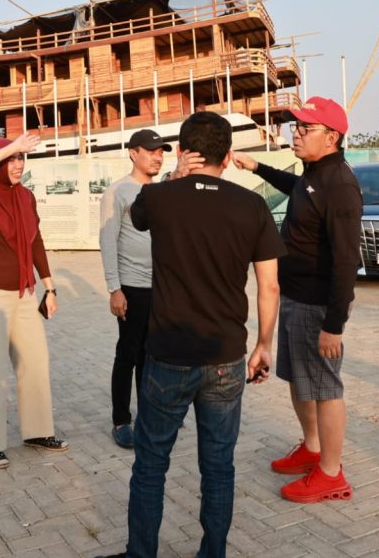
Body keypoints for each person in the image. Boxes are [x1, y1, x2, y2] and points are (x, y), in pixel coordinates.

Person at [111, 111, 287, 558]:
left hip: (168, 354)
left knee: (151, 464)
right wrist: (263, 345)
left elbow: (138, 216)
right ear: (227, 157)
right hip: (226, 356)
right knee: (219, 466)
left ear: (184, 151)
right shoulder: (252, 206)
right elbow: (270, 286)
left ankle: (141, 553)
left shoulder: (161, 197)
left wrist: (174, 177)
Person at [232, 96, 362, 503]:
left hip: (317, 305)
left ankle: (331, 473)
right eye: (296, 126)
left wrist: (333, 326)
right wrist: (256, 166)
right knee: (299, 381)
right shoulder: (313, 174)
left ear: (332, 137)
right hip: (294, 295)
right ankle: (312, 447)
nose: (297, 134)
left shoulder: (340, 185)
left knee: (325, 387)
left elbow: (347, 260)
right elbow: (298, 190)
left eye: (306, 128)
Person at [0, 134, 68, 469]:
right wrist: (10, 147)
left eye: (22, 158)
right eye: (11, 159)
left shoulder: (26, 196)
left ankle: (38, 431)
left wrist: (50, 287)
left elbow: (36, 242)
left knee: (35, 363)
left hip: (25, 293)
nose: (18, 164)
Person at [98, 129, 170, 449]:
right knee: (128, 353)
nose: (157, 157)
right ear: (133, 153)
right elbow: (107, 239)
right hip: (131, 286)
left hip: (161, 288)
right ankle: (121, 420)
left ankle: (148, 415)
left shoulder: (161, 192)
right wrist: (114, 288)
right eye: (151, 151)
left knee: (151, 355)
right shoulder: (118, 191)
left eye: (161, 152)